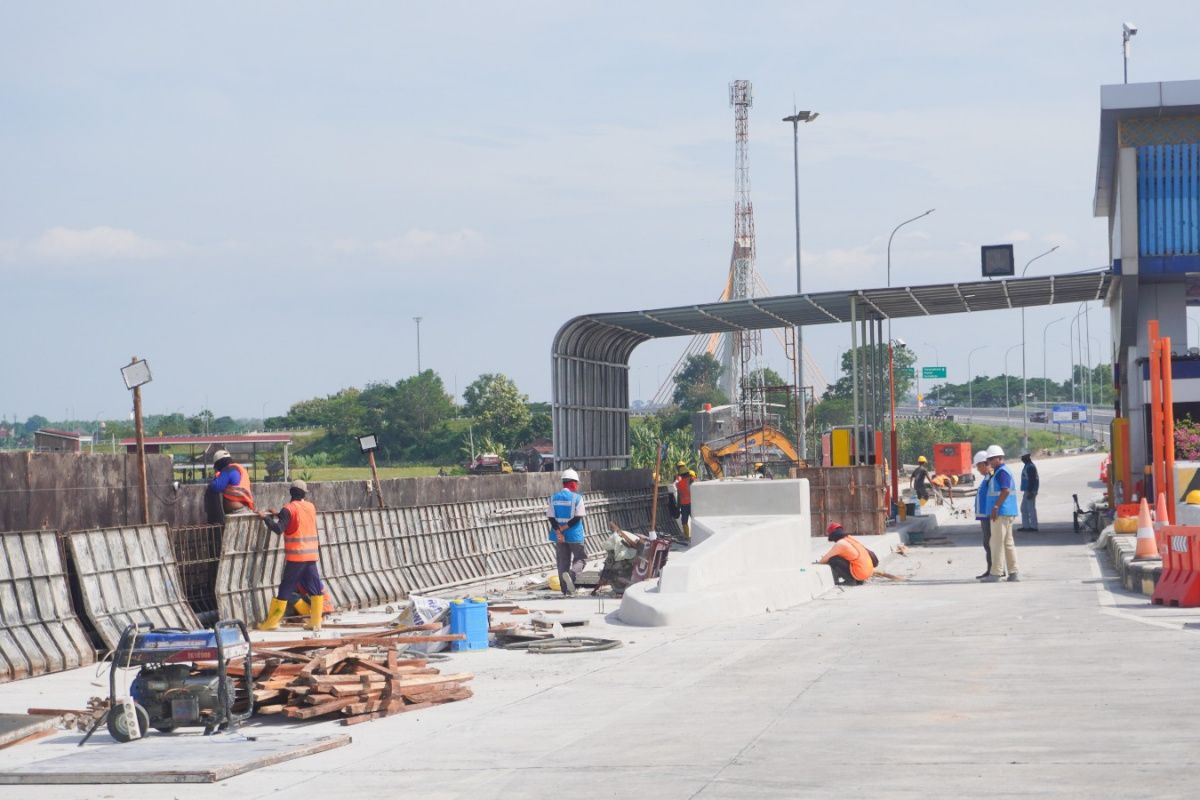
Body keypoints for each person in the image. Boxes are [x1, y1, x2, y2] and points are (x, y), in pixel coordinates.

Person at [255, 479, 325, 631]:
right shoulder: (310, 507)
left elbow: (279, 528)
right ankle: (315, 622)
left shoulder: (289, 509)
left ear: (291, 493)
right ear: (304, 494)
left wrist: (265, 518)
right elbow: (297, 519)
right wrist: (279, 514)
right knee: (315, 589)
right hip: (311, 556)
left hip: (297, 557)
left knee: (285, 589)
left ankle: (272, 622)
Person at [981, 445, 1020, 582]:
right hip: (1007, 511)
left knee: (996, 542)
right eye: (988, 460)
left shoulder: (1001, 472)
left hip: (1001, 512)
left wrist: (996, 506)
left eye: (992, 459)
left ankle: (996, 573)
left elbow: (1005, 491)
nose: (990, 462)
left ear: (999, 458)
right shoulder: (1001, 471)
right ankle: (1013, 572)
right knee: (1008, 543)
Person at [548, 468, 587, 595]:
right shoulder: (577, 498)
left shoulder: (553, 498)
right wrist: (565, 528)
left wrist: (558, 531)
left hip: (559, 536)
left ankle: (565, 590)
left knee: (562, 562)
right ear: (572, 483)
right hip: (574, 535)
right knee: (581, 558)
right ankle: (572, 574)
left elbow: (551, 517)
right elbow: (578, 516)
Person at [207, 448, 255, 520]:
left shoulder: (228, 470)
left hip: (238, 513)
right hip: (243, 511)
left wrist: (217, 475)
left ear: (220, 463)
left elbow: (216, 487)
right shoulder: (237, 469)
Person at [973, 450, 995, 579]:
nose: (977, 469)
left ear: (985, 464)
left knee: (990, 543)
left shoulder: (991, 477)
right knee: (987, 544)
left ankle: (994, 569)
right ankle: (990, 568)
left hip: (988, 516)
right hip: (984, 515)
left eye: (978, 466)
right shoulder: (987, 478)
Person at [1018, 451, 1040, 532]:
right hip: (1027, 490)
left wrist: (1030, 491)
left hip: (1030, 490)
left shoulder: (1030, 467)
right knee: (1024, 508)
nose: (1022, 459)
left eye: (1023, 458)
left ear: (1026, 458)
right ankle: (1026, 526)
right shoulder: (1028, 466)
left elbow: (1032, 480)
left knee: (1030, 508)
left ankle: (1034, 526)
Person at [674, 462, 695, 539]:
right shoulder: (690, 480)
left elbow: (679, 496)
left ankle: (687, 536)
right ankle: (693, 536)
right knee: (694, 519)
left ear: (681, 475)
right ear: (687, 473)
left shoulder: (679, 484)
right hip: (691, 504)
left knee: (684, 521)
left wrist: (678, 506)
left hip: (683, 505)